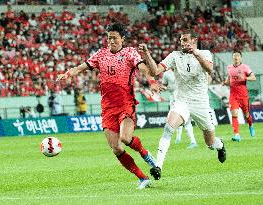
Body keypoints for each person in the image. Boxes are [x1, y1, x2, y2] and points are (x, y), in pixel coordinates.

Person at [57, 23, 159, 189]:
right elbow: (82, 67)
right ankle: (143, 178)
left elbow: (143, 68)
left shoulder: (129, 53)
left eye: (115, 38)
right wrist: (67, 74)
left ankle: (146, 155)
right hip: (107, 108)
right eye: (109, 37)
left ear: (122, 39)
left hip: (126, 103)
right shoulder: (101, 54)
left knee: (126, 138)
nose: (111, 40)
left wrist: (152, 81)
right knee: (116, 148)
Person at [139, 29, 226, 180]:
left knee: (210, 143)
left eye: (185, 39)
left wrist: (196, 54)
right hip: (182, 101)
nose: (183, 43)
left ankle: (220, 146)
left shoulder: (204, 53)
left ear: (194, 40)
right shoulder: (175, 56)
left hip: (200, 103)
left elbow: (210, 69)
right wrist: (146, 54)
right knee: (168, 127)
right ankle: (158, 166)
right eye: (181, 40)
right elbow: (155, 71)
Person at [223, 51, 256, 142]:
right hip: (233, 95)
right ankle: (237, 135)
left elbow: (253, 77)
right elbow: (228, 78)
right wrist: (225, 82)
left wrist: (244, 78)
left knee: (247, 115)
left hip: (243, 96)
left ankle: (251, 125)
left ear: (240, 58)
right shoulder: (229, 67)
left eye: (237, 56)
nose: (236, 58)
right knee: (234, 114)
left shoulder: (245, 67)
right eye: (234, 56)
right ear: (232, 58)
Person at [162, 70, 198, 149]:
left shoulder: (183, 69)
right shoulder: (167, 74)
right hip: (173, 99)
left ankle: (193, 141)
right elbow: (164, 85)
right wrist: (163, 88)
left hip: (184, 98)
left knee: (186, 120)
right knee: (177, 119)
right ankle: (178, 138)